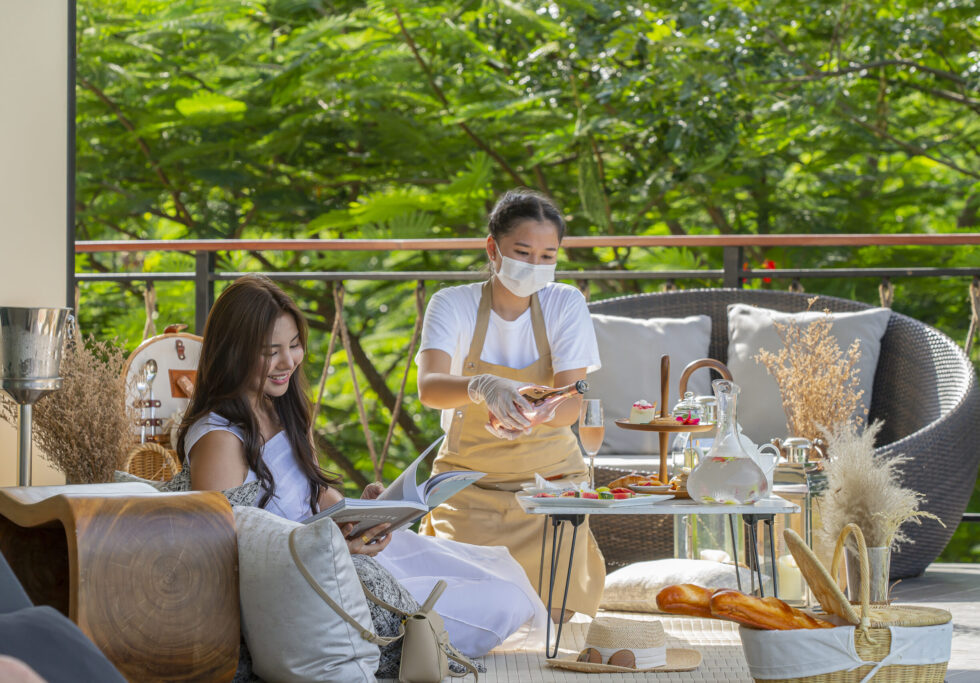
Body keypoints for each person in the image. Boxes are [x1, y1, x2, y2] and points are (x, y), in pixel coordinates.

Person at [176, 274, 546, 658]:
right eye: (271, 351)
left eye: (294, 344)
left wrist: (365, 508)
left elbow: (311, 492)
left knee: (502, 575)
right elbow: (228, 556)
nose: (288, 362)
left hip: (336, 554)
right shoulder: (219, 439)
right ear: (233, 351)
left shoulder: (279, 405)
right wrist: (334, 547)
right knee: (503, 601)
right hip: (310, 584)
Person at [416, 189, 606, 621]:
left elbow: (572, 401)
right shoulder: (451, 303)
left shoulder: (565, 302)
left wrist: (538, 416)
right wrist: (482, 385)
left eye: (547, 255)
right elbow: (429, 389)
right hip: (468, 489)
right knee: (455, 612)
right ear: (493, 249)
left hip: (550, 486)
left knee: (555, 618)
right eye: (523, 252)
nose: (534, 266)